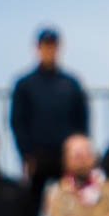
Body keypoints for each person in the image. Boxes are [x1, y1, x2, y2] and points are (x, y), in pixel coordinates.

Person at [10, 28, 89, 201]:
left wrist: (80, 152)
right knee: (30, 210)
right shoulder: (24, 85)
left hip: (67, 159)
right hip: (37, 159)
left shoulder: (71, 84)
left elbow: (82, 121)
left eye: (52, 46)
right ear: (38, 48)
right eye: (45, 46)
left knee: (72, 205)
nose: (49, 50)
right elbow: (17, 122)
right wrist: (26, 155)